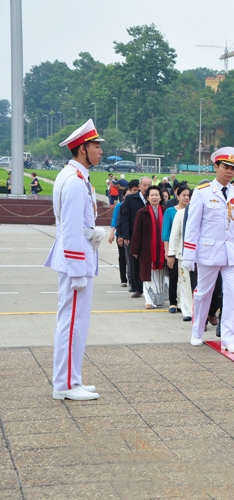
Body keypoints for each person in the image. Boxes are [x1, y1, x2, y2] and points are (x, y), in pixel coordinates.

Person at [44, 118, 106, 401]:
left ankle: (73, 378)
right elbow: (68, 231)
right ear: (83, 149)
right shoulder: (73, 181)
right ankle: (65, 384)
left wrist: (92, 233)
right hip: (75, 263)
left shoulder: (77, 177)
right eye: (96, 146)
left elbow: (78, 226)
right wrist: (78, 269)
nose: (100, 151)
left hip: (78, 259)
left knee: (77, 322)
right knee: (71, 323)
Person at [183, 147, 234, 353]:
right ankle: (197, 331)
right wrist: (188, 254)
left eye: (233, 168)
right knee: (203, 293)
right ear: (216, 167)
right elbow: (193, 225)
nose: (229, 172)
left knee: (232, 294)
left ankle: (230, 338)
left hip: (232, 252)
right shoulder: (202, 192)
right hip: (208, 251)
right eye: (226, 167)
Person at [131, 185, 167, 309]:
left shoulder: (166, 211)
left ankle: (159, 299)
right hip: (147, 250)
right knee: (149, 275)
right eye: (152, 195)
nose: (154, 197)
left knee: (161, 275)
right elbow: (137, 232)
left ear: (161, 197)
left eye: (157, 195)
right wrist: (135, 249)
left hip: (163, 249)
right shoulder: (142, 212)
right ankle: (149, 300)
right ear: (147, 197)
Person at [121, 177, 151, 297]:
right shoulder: (130, 199)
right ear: (139, 186)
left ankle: (148, 286)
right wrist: (126, 235)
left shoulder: (153, 198)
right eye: (144, 185)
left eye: (148, 185)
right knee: (134, 261)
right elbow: (125, 217)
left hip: (149, 235)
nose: (146, 188)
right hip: (134, 234)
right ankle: (137, 287)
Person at [168, 185, 194, 322]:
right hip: (183, 256)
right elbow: (174, 235)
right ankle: (187, 310)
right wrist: (171, 254)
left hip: (201, 257)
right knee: (185, 284)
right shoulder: (181, 213)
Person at [163, 184, 190, 313]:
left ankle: (183, 303)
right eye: (183, 195)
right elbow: (168, 233)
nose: (186, 198)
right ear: (177, 196)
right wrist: (168, 251)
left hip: (188, 252)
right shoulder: (171, 211)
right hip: (175, 249)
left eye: (188, 195)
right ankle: (173, 302)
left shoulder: (193, 211)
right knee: (174, 276)